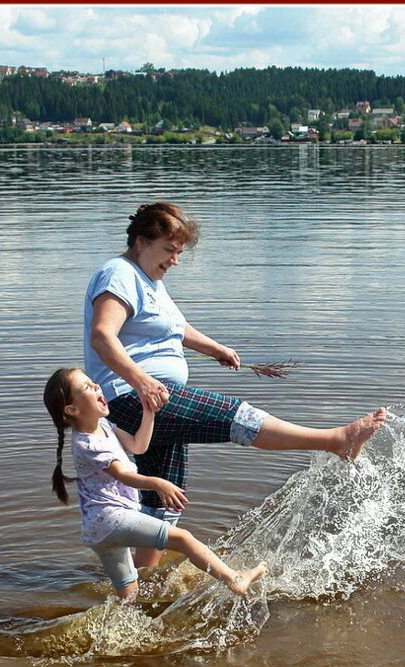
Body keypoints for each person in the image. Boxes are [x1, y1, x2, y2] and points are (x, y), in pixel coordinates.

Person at [83, 201, 387, 570]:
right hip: (134, 397)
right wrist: (142, 382)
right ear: (142, 241)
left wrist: (215, 348)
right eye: (169, 251)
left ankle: (145, 580)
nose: (174, 261)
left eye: (179, 253)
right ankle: (335, 440)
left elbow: (174, 329)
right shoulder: (119, 273)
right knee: (234, 415)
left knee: (164, 495)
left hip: (151, 398)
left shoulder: (150, 281)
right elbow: (103, 336)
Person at [43, 366, 267, 602]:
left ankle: (124, 633)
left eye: (93, 382)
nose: (97, 386)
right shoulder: (87, 444)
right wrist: (158, 483)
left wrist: (148, 412)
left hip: (99, 532)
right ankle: (234, 579)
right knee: (183, 539)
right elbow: (122, 474)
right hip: (113, 519)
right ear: (72, 409)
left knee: (129, 595)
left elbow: (139, 446)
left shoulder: (105, 427)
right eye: (87, 387)